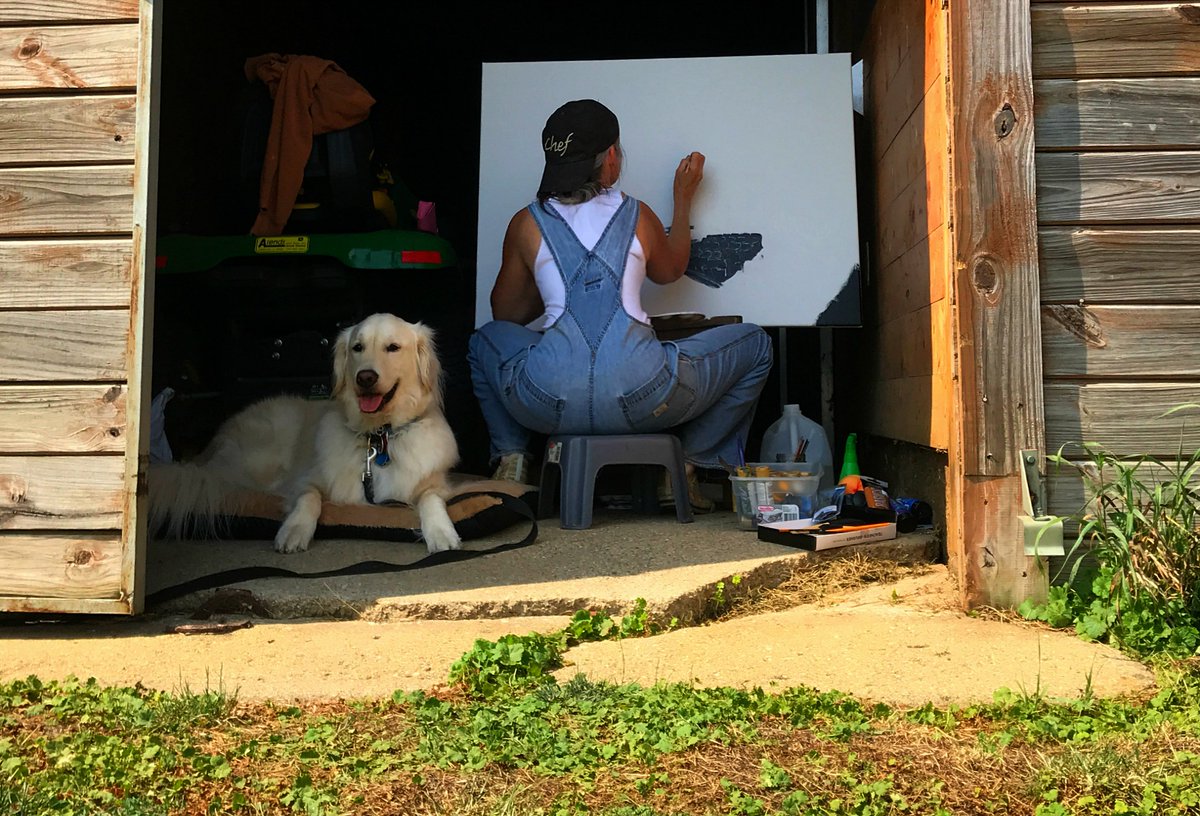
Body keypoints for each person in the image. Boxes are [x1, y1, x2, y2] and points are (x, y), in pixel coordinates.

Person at [467, 99, 773, 511]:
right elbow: (670, 270)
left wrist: (553, 279)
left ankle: (513, 460)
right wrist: (682, 200)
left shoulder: (526, 223)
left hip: (546, 403)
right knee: (756, 345)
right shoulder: (638, 214)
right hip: (646, 398)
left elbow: (505, 317)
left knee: (483, 341)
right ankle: (684, 466)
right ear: (611, 157)